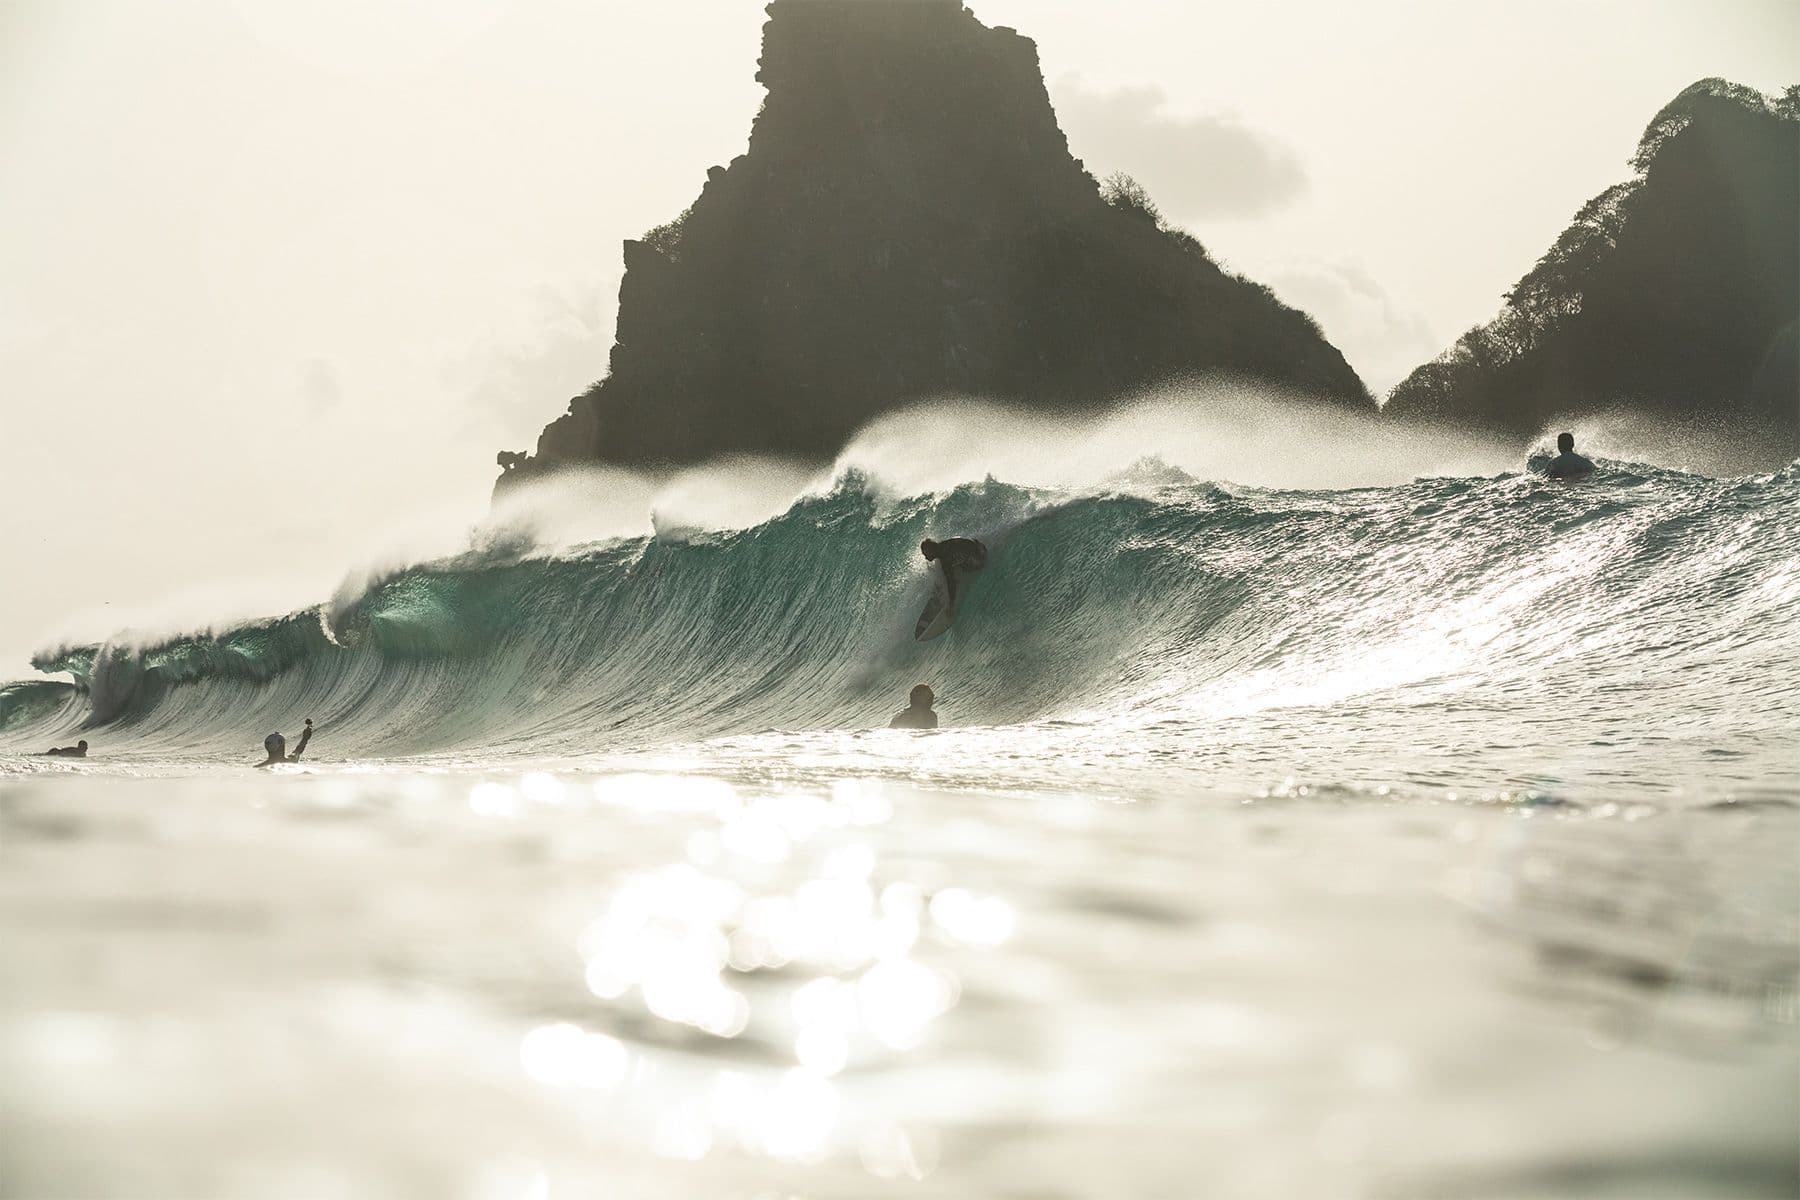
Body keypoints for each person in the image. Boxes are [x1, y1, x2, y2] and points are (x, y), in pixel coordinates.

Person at [920, 536, 988, 607]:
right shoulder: (943, 545)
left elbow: (951, 582)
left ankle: (943, 594)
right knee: (951, 570)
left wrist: (951, 603)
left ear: (931, 551)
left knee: (952, 573)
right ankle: (939, 592)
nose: (926, 557)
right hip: (979, 546)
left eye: (926, 554)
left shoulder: (944, 557)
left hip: (979, 556)